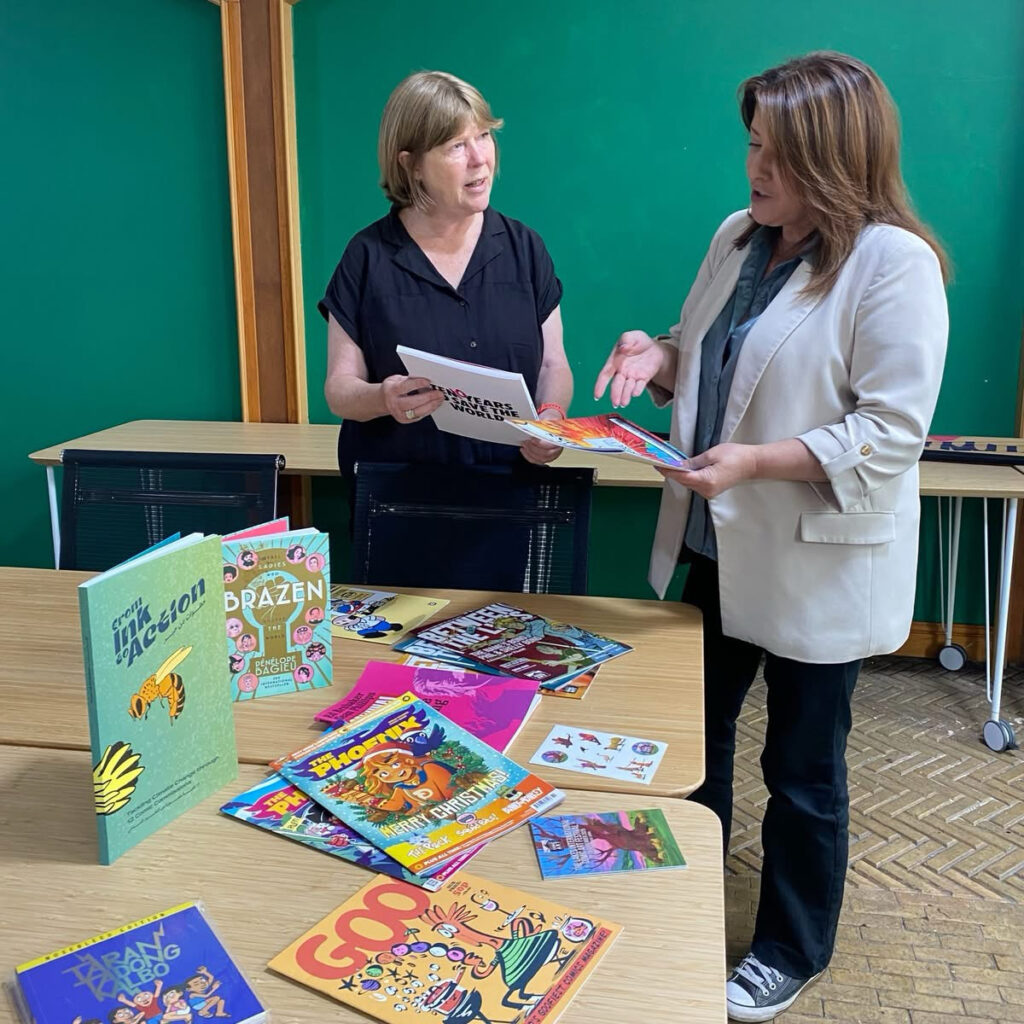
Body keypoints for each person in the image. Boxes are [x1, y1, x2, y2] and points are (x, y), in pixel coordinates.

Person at [595, 51, 948, 1022]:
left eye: (778, 156)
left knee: (799, 767)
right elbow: (707, 353)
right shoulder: (737, 237)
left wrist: (752, 461)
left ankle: (791, 947)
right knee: (687, 740)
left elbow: (890, 433)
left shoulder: (891, 263)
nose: (755, 170)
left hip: (811, 557)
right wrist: (655, 354)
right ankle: (681, 895)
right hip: (715, 538)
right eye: (752, 146)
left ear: (835, 160)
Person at [320, 71, 572, 478]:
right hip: (399, 502)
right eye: (456, 145)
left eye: (485, 136)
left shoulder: (525, 248)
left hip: (513, 500)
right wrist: (384, 398)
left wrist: (552, 418)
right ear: (411, 166)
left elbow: (552, 366)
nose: (480, 159)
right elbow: (340, 389)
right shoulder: (366, 256)